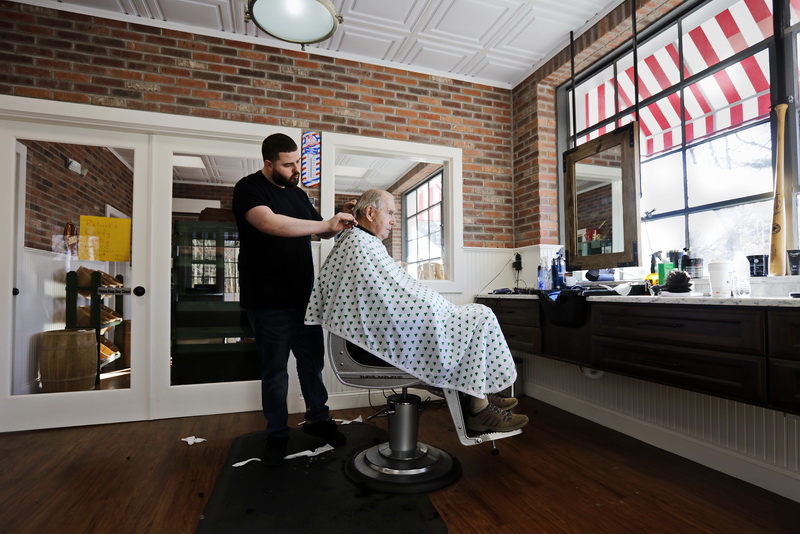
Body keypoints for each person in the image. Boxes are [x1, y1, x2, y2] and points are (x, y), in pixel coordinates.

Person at [305, 188, 528, 432]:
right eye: (390, 213)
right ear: (370, 212)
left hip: (382, 337)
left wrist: (434, 307)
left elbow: (387, 300)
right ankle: (478, 408)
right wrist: (432, 309)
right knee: (479, 315)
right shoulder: (359, 243)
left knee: (474, 318)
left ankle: (477, 392)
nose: (392, 220)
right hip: (369, 348)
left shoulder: (362, 241)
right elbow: (385, 303)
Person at [232, 133, 356, 466]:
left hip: (304, 298)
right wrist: (323, 224)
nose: (296, 168)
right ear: (269, 163)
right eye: (289, 164)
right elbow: (270, 224)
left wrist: (336, 221)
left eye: (298, 161)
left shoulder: (298, 194)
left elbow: (319, 228)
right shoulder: (249, 189)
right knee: (274, 371)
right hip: (268, 299)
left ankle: (318, 419)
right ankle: (276, 433)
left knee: (311, 365)